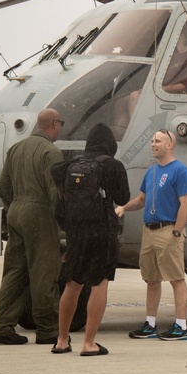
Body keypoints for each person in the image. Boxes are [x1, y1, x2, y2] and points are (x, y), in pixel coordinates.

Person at [0, 108, 65, 345]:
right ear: (52, 124)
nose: (61, 127)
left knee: (14, 272)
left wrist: (14, 208)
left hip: (16, 212)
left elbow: (4, 188)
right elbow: (55, 193)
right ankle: (48, 329)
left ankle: (0, 326)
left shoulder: (16, 149)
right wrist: (62, 221)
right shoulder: (51, 152)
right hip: (39, 214)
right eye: (60, 123)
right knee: (44, 271)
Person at [49, 123, 130, 357]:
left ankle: (62, 340)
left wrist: (72, 228)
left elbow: (59, 208)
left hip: (76, 234)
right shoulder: (113, 166)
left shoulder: (69, 166)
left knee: (72, 285)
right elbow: (123, 197)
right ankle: (89, 343)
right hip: (102, 233)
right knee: (99, 284)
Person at [116, 128, 187, 341]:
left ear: (170, 145)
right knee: (152, 279)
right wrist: (124, 207)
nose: (153, 144)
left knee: (176, 278)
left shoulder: (180, 171)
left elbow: (186, 203)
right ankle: (150, 324)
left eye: (158, 141)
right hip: (149, 231)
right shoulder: (151, 172)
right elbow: (142, 200)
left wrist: (177, 231)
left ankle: (181, 325)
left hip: (168, 230)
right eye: (152, 141)